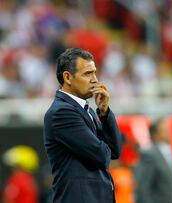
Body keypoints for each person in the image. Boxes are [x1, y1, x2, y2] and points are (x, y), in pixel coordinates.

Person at [43, 48, 123, 203]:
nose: (95, 79)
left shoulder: (89, 111)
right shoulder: (61, 112)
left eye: (94, 72)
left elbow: (114, 151)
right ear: (67, 77)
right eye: (87, 74)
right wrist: (103, 147)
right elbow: (101, 156)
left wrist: (104, 112)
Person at [134, 118, 172, 203]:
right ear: (155, 135)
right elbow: (142, 189)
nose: (170, 133)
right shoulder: (149, 155)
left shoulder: (169, 152)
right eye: (165, 130)